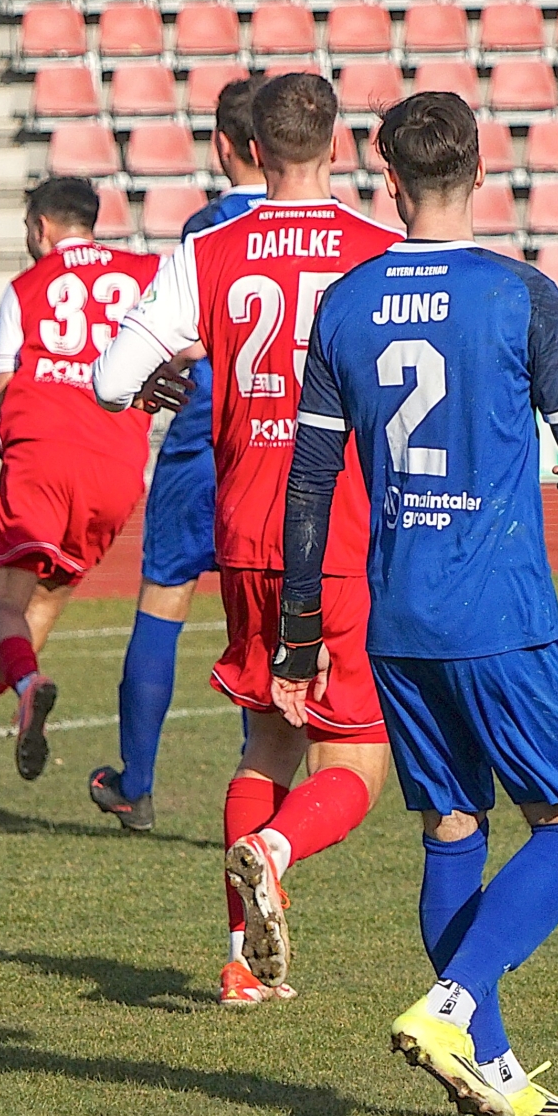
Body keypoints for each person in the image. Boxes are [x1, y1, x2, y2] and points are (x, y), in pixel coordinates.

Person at [274, 92, 558, 1116]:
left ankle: (493, 1074)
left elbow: (310, 485)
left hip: (399, 616)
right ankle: (456, 1003)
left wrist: (300, 637)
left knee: (452, 828)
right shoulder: (522, 294)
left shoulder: (343, 302)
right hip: (502, 611)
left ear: (387, 177)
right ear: (480, 169)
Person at [92, 74, 403, 1006]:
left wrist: (184, 358)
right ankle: (276, 848)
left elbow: (113, 380)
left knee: (265, 742)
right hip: (338, 527)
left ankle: (240, 962)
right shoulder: (379, 248)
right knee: (354, 759)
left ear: (252, 151)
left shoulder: (211, 245)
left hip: (246, 526)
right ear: (337, 146)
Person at [0, 177, 165, 782]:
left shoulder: (25, 288)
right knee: (40, 605)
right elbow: (180, 356)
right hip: (118, 467)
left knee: (1, 609)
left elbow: (2, 392)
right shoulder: (148, 274)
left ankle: (27, 683)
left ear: (43, 227)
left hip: (45, 454)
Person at [88, 76, 266, 835]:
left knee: (163, 599)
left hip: (201, 439)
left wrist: (156, 374)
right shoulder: (330, 230)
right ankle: (264, 787)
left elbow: (171, 329)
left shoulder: (207, 228)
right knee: (268, 619)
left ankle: (137, 783)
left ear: (226, 146)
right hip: (285, 452)